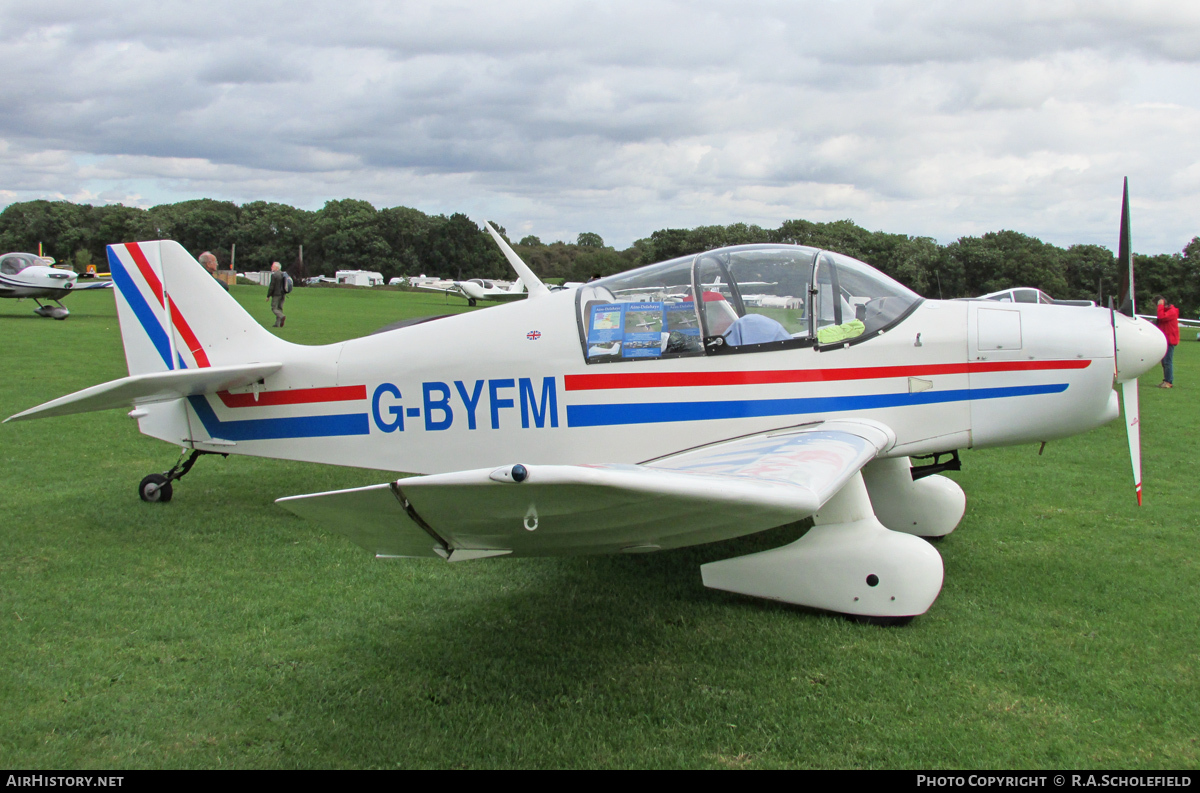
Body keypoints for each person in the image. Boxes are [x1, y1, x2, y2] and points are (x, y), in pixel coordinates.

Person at [1154, 294, 1179, 388]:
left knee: (1167, 362)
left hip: (1170, 340)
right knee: (1164, 361)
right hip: (1165, 340)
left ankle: (1169, 381)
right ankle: (1166, 380)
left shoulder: (1171, 312)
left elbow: (1161, 317)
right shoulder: (1167, 311)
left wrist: (1160, 305)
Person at [267, 262, 287, 327]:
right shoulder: (283, 274)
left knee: (274, 308)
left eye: (273, 266)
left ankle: (282, 316)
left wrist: (268, 295)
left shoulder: (274, 275)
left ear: (277, 268)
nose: (271, 267)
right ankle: (277, 324)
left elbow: (272, 286)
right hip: (283, 294)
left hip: (276, 294)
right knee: (280, 308)